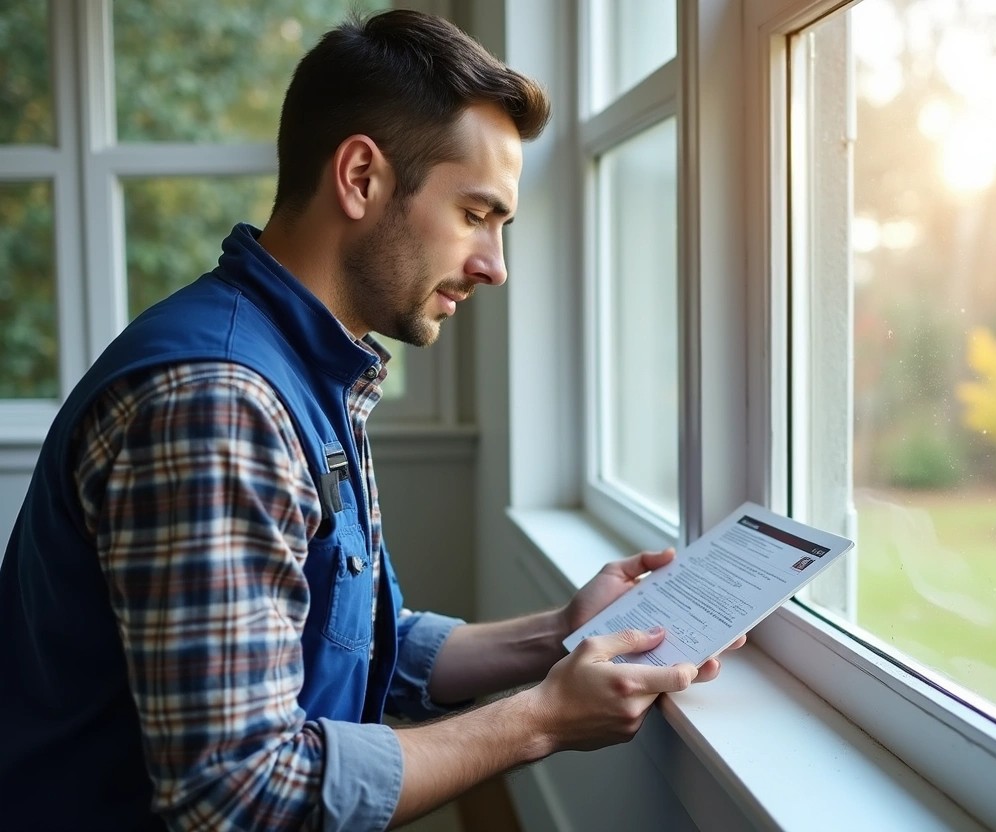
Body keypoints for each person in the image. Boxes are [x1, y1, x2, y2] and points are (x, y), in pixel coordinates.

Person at [0, 10, 740, 831]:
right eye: (475, 215)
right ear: (359, 177)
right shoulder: (221, 401)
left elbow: (356, 646)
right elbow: (239, 796)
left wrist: (562, 634)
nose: (495, 266)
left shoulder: (303, 368)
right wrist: (540, 720)